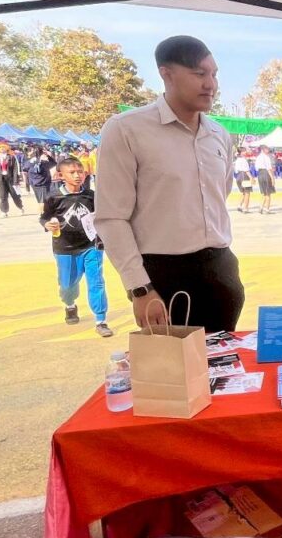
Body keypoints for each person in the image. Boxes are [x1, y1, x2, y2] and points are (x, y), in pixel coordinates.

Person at [95, 35, 245, 333]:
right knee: (170, 362)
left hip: (221, 271)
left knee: (222, 360)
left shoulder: (219, 135)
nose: (210, 84)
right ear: (166, 73)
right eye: (199, 73)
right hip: (162, 278)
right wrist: (140, 287)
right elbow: (111, 217)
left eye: (214, 74)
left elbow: (219, 196)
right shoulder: (127, 130)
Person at [42, 157, 112, 337]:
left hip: (91, 246)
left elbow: (101, 216)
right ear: (60, 175)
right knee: (67, 285)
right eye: (72, 172)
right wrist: (47, 224)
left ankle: (101, 320)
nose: (77, 176)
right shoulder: (53, 197)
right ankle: (70, 304)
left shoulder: (91, 196)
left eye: (80, 172)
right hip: (65, 248)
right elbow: (44, 217)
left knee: (96, 281)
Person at [0, 142, 25, 217]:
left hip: (11, 179)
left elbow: (15, 169)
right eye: (0, 147)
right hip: (1, 179)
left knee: (15, 195)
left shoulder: (12, 157)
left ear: (6, 148)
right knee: (3, 196)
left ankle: (20, 207)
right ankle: (4, 211)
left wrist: (16, 180)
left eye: (3, 147)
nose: (2, 149)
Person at [27, 145, 57, 213]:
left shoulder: (30, 161)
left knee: (40, 200)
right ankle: (43, 214)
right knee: (43, 201)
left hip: (34, 183)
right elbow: (54, 164)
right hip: (43, 183)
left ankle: (42, 213)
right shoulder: (44, 161)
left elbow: (25, 169)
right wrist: (48, 156)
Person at [254, 145, 275, 214]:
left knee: (264, 193)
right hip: (266, 174)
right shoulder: (266, 157)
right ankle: (267, 209)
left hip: (260, 174)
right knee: (268, 193)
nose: (268, 150)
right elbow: (269, 168)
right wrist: (272, 178)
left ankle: (261, 207)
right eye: (267, 149)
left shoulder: (258, 157)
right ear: (263, 149)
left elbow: (256, 168)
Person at [233, 148, 253, 213]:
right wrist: (251, 178)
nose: (245, 152)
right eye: (244, 151)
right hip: (244, 175)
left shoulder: (237, 160)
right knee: (247, 193)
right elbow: (246, 170)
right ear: (241, 152)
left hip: (238, 176)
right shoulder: (243, 160)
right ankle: (245, 208)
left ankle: (240, 205)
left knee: (244, 192)